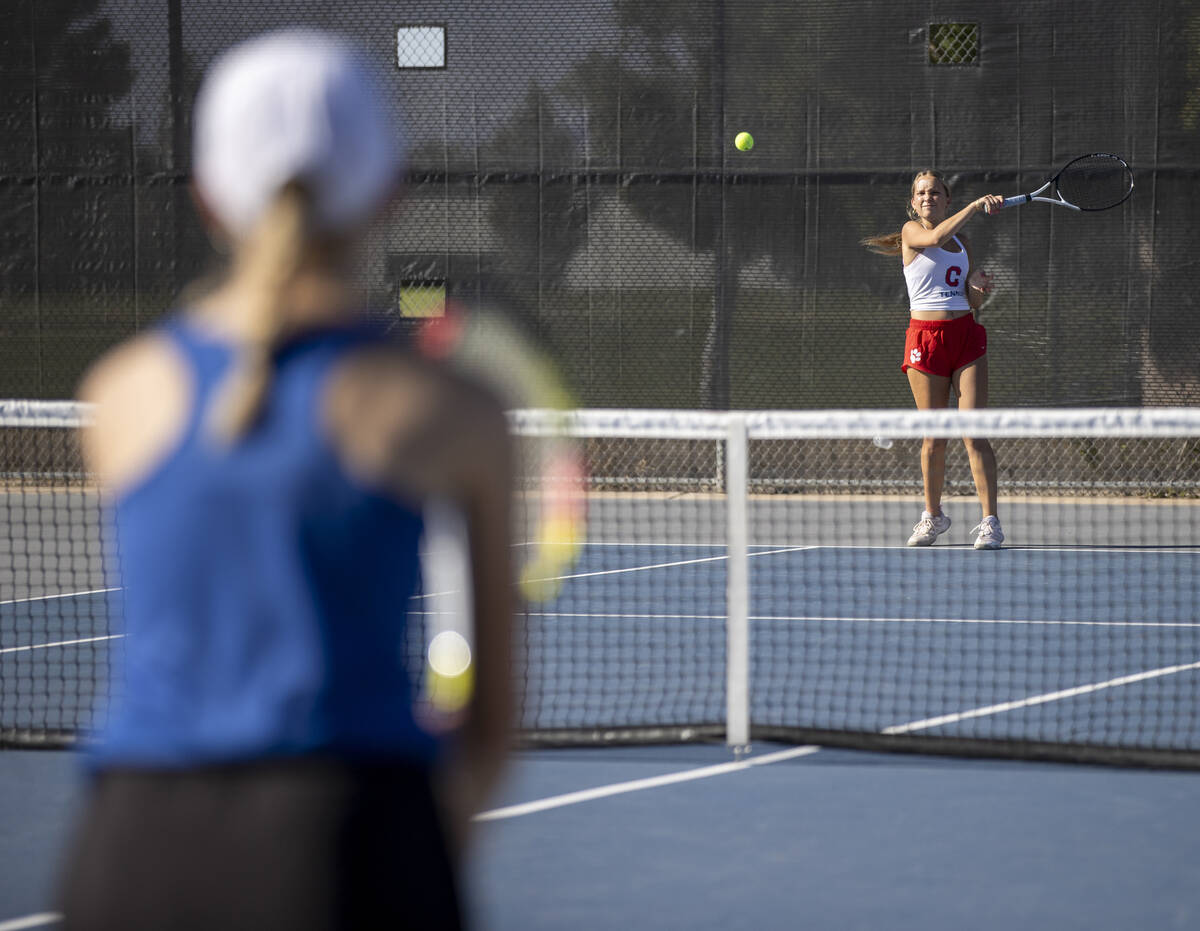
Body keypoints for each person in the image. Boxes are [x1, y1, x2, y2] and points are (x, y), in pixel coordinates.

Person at [58, 30, 513, 930]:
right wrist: (414, 847)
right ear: (389, 192)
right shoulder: (451, 411)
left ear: (208, 198)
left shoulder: (115, 397)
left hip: (129, 854)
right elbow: (492, 723)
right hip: (349, 839)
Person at [863, 170, 1005, 550]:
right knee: (934, 437)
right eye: (921, 193)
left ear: (947, 200)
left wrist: (977, 287)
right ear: (914, 203)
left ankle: (990, 522)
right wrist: (977, 205)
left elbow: (972, 300)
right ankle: (933, 515)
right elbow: (935, 237)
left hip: (965, 337)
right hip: (925, 342)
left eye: (935, 192)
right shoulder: (913, 232)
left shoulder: (964, 243)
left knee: (973, 432)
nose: (928, 197)